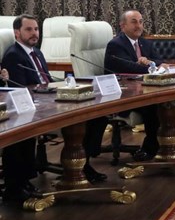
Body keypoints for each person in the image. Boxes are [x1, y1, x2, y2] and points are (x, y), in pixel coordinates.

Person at [1, 15, 108, 205]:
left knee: (96, 116)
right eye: (29, 29)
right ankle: (19, 184)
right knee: (25, 133)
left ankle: (83, 163)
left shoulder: (37, 52)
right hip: (36, 107)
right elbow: (21, 90)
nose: (34, 33)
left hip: (50, 99)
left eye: (36, 29)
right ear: (17, 33)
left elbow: (47, 79)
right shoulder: (13, 55)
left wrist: (65, 86)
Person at [103, 10, 166, 161]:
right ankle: (151, 147)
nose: (138, 26)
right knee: (153, 104)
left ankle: (159, 145)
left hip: (143, 89)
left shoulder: (145, 43)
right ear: (122, 26)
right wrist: (151, 67)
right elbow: (129, 67)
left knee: (163, 102)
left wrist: (150, 62)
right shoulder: (115, 45)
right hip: (122, 95)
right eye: (134, 22)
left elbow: (159, 60)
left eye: (141, 22)